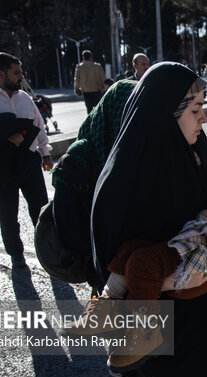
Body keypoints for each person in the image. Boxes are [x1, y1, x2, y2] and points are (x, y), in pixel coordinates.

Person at [91, 62, 207, 377]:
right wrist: (165, 282)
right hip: (169, 343)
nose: (203, 119)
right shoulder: (123, 181)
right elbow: (111, 265)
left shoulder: (199, 155)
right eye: (196, 109)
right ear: (165, 113)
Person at [71, 177, 207, 371]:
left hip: (203, 255)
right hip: (194, 242)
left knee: (142, 262)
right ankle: (105, 306)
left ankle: (146, 333)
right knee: (130, 248)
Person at [0, 52, 53, 269]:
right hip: (1, 165)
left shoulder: (24, 98)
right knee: (8, 212)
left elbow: (39, 125)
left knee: (40, 208)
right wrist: (5, 134)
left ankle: (48, 251)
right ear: (0, 74)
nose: (21, 77)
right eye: (16, 73)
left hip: (28, 161)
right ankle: (16, 255)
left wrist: (46, 152)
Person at [51, 79, 137, 289]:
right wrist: (103, 257)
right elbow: (68, 227)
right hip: (102, 269)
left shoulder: (135, 154)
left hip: (137, 269)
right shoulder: (79, 158)